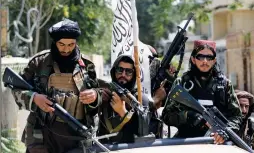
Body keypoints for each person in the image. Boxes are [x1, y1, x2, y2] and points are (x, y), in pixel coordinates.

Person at [11, 18, 102, 153]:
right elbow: (16, 89)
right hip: (43, 135)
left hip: (77, 137)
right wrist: (34, 98)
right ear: (55, 42)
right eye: (62, 44)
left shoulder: (87, 65)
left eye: (71, 44)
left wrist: (94, 96)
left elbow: (98, 95)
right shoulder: (39, 62)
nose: (66, 49)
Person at [162, 40, 242, 144]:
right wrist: (187, 116)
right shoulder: (182, 83)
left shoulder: (225, 85)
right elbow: (166, 115)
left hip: (216, 143)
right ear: (193, 59)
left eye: (209, 58)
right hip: (187, 142)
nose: (205, 61)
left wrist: (224, 132)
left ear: (214, 60)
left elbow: (237, 116)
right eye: (200, 57)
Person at [96, 54, 151, 144]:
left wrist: (122, 112)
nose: (123, 75)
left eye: (129, 72)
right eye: (119, 70)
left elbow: (142, 134)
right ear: (114, 71)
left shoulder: (140, 99)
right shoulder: (106, 93)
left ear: (134, 75)